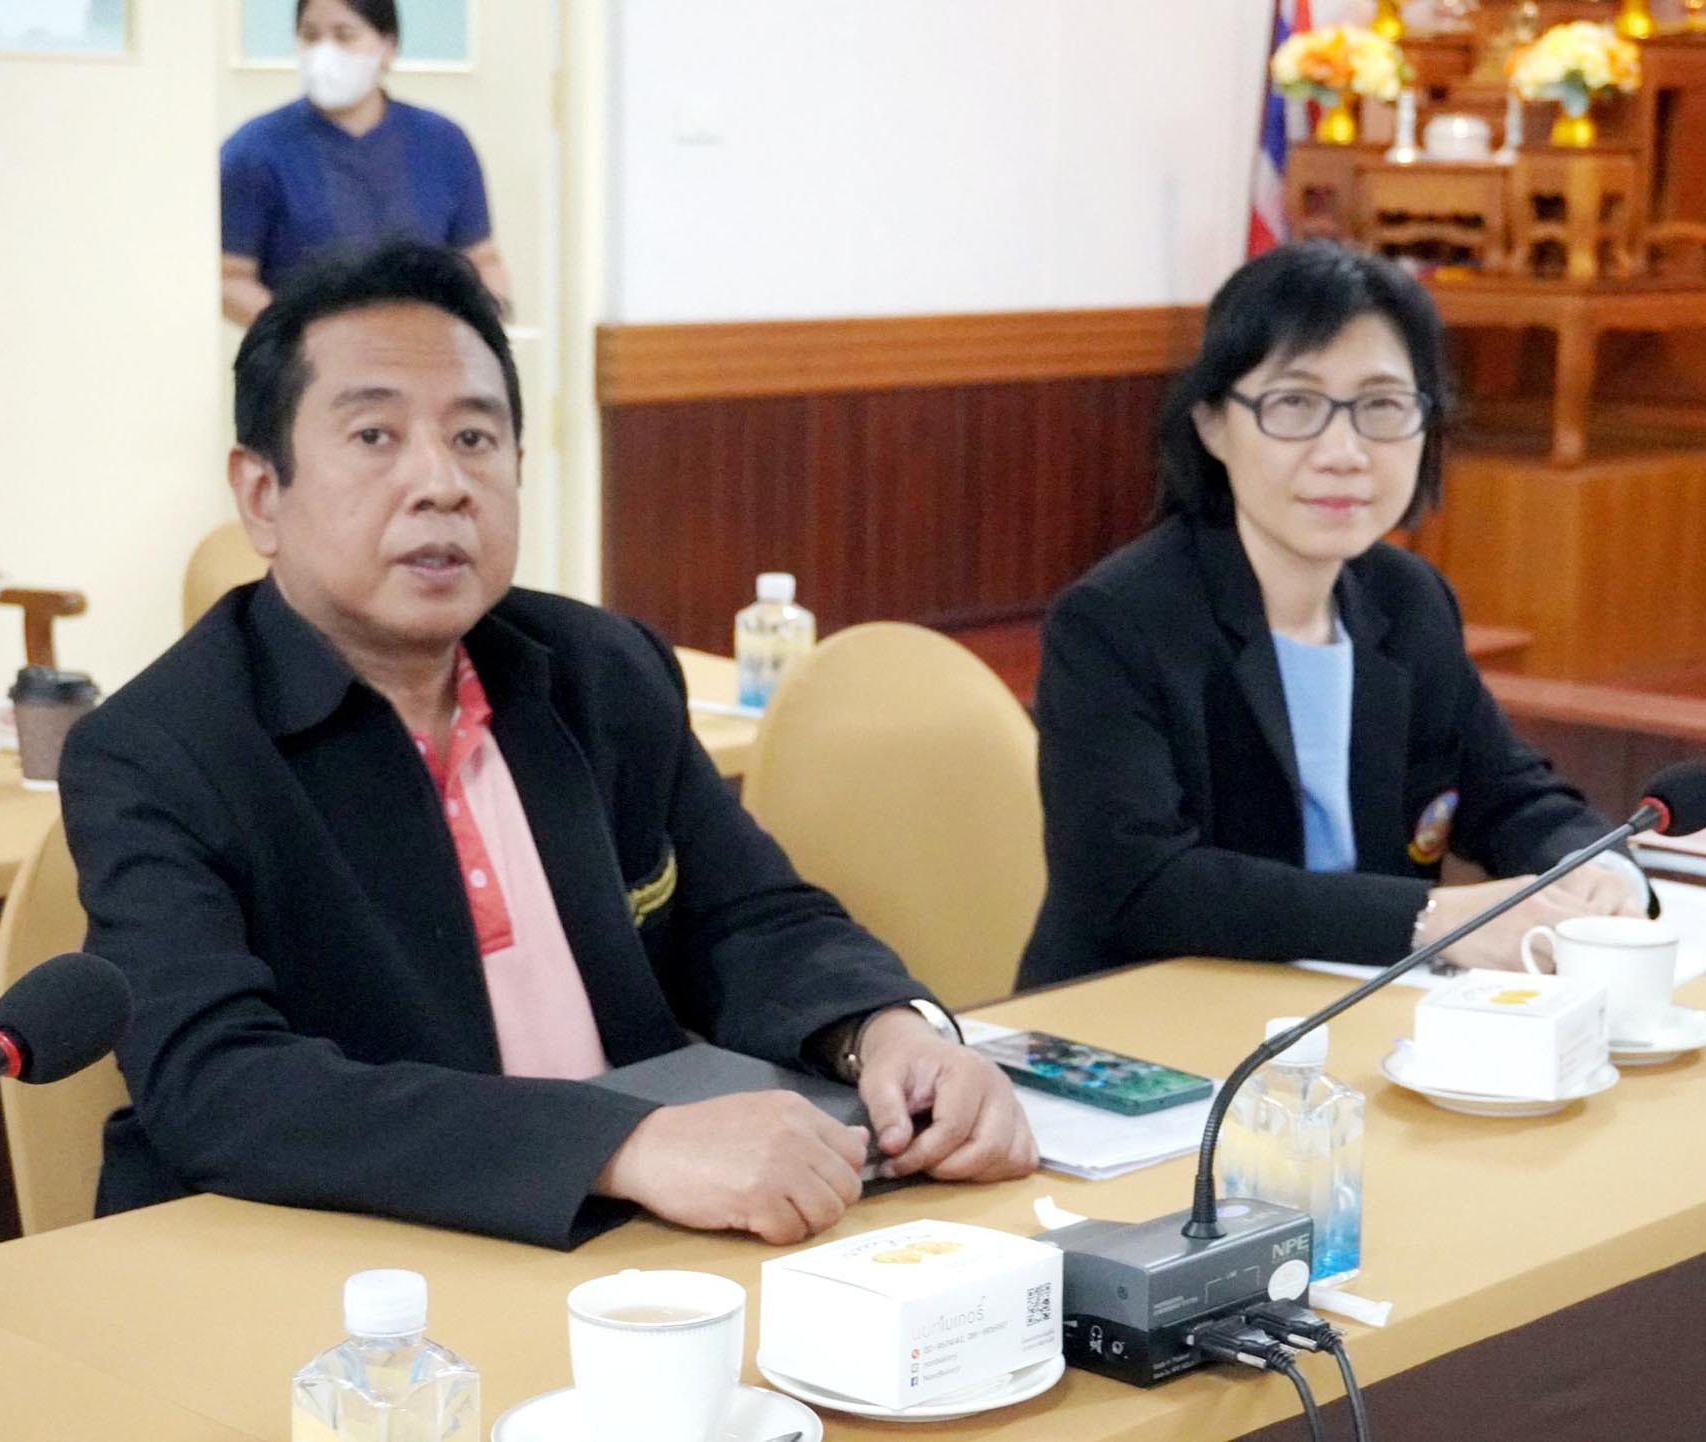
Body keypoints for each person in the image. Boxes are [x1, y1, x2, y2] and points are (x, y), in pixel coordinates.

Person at [61, 241, 1036, 1251]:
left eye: (475, 437)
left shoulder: (600, 669)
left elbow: (751, 916)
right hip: (327, 1260)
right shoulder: (154, 751)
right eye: (375, 435)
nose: (441, 482)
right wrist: (622, 1145)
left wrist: (886, 1031)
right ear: (263, 494)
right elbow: (218, 1083)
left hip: (629, 1244)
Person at [1017, 241, 1646, 991]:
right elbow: (1142, 886)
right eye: (1295, 405)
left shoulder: (1407, 600)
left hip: (1356, 1013)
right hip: (1142, 1014)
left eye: (1381, 406)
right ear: (1212, 424)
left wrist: (1597, 871)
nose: (1344, 452)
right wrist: (1430, 919)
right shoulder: (1117, 621)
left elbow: (1510, 795)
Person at [219, 0, 510, 327]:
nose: (324, 52)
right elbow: (230, 277)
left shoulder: (444, 143)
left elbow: (481, 258)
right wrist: (307, 336)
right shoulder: (254, 150)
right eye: (310, 36)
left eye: (344, 35)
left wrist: (486, 324)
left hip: (427, 346)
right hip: (309, 352)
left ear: (388, 46)